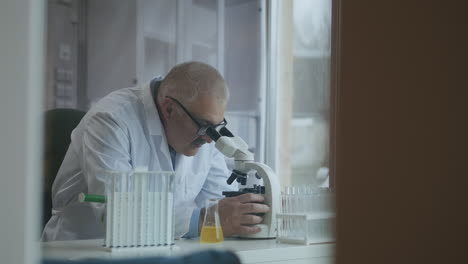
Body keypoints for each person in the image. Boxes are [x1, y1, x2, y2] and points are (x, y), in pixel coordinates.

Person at [42, 61, 269, 241]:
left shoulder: (204, 133)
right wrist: (206, 219)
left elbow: (217, 203)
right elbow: (119, 217)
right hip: (83, 250)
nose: (210, 138)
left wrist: (242, 214)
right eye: (204, 126)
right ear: (169, 109)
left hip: (162, 251)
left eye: (216, 127)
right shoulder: (110, 120)